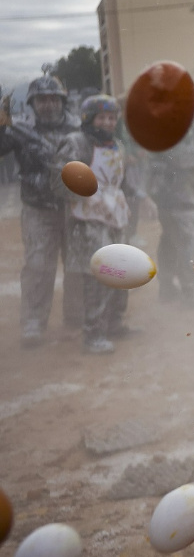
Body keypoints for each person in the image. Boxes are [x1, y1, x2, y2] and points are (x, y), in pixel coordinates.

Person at [0, 67, 83, 347]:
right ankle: (33, 323)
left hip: (74, 210)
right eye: (41, 99)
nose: (48, 104)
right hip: (37, 209)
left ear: (62, 101)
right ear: (33, 103)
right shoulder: (19, 129)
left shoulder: (79, 128)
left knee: (77, 265)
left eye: (53, 98)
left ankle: (76, 317)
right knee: (38, 266)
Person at [53, 95, 139, 354]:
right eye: (101, 117)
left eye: (112, 118)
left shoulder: (117, 145)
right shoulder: (75, 143)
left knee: (122, 269)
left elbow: (121, 180)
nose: (107, 122)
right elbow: (58, 181)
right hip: (87, 219)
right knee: (100, 274)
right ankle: (93, 333)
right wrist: (81, 190)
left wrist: (139, 198)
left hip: (115, 216)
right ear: (89, 119)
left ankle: (114, 323)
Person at [147, 135, 194, 306]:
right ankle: (190, 293)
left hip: (166, 193)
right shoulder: (171, 127)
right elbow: (182, 157)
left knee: (170, 241)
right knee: (189, 242)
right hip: (175, 194)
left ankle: (167, 288)